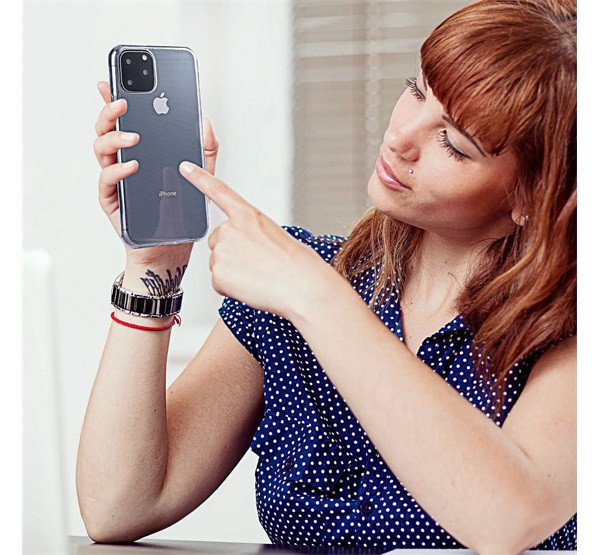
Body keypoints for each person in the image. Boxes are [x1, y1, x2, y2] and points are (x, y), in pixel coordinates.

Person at [76, 0, 576, 551]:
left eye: (453, 143)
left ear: (532, 197)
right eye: (416, 91)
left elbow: (507, 521)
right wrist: (155, 265)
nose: (400, 137)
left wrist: (313, 295)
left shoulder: (567, 333)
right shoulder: (300, 280)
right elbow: (118, 507)